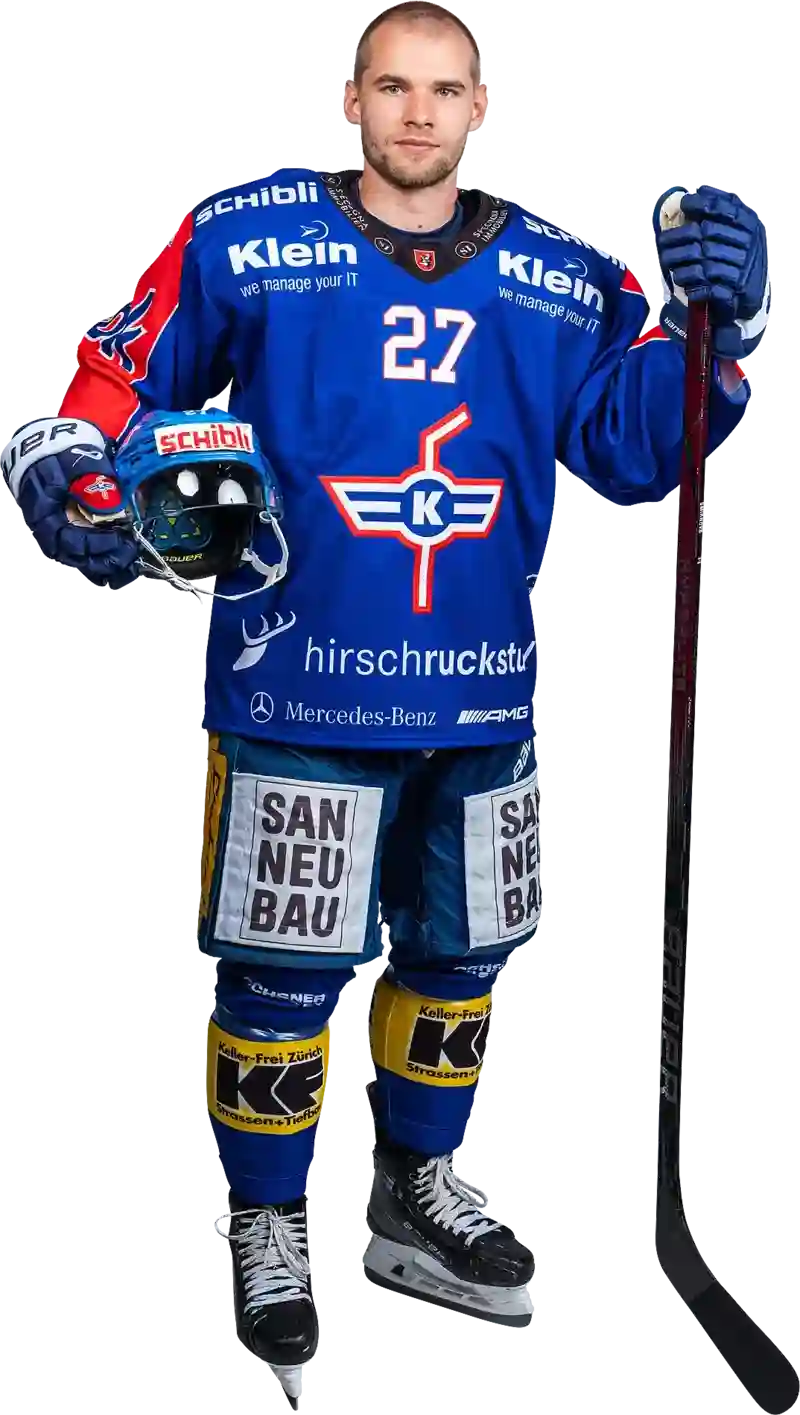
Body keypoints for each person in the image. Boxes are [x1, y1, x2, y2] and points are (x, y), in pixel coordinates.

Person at [2, 0, 770, 1397]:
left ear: (483, 108)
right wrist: (66, 462)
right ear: (350, 100)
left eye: (447, 89)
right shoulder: (242, 235)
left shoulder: (559, 273)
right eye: (394, 86)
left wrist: (725, 326)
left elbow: (645, 448)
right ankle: (268, 1222)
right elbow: (113, 378)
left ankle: (417, 1191)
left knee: (459, 965)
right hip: (294, 682)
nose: (421, 112)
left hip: (481, 695)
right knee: (278, 977)